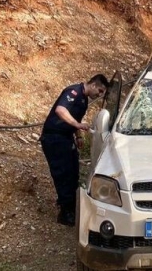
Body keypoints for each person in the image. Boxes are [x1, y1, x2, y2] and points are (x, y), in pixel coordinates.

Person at [40, 74, 109, 226]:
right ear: (92, 85)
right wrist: (77, 125)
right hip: (54, 138)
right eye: (99, 90)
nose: (99, 95)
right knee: (63, 173)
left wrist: (78, 136)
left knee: (73, 172)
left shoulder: (83, 101)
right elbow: (61, 110)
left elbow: (75, 118)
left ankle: (69, 204)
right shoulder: (74, 92)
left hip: (66, 137)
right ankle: (65, 213)